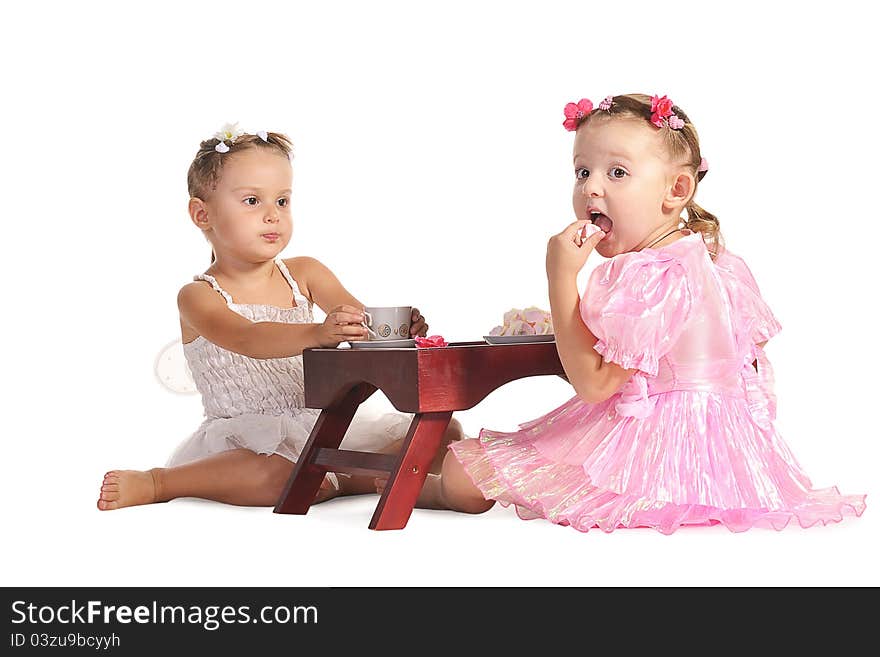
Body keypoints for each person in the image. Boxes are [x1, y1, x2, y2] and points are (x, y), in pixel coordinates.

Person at [398, 94, 866, 533]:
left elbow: (596, 385)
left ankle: (402, 484)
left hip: (658, 449)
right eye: (582, 171)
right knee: (471, 461)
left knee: (466, 475)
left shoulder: (648, 275)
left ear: (676, 189)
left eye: (617, 173)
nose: (591, 188)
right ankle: (411, 467)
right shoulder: (711, 258)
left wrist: (561, 279)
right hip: (723, 453)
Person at [98, 124, 461, 511]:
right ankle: (160, 481)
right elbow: (249, 338)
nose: (273, 215)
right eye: (252, 201)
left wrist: (395, 332)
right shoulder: (198, 296)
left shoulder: (306, 273)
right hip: (247, 437)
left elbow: (360, 327)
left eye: (283, 201)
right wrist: (319, 332)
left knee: (444, 432)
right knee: (274, 472)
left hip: (322, 423)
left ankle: (338, 479)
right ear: (201, 214)